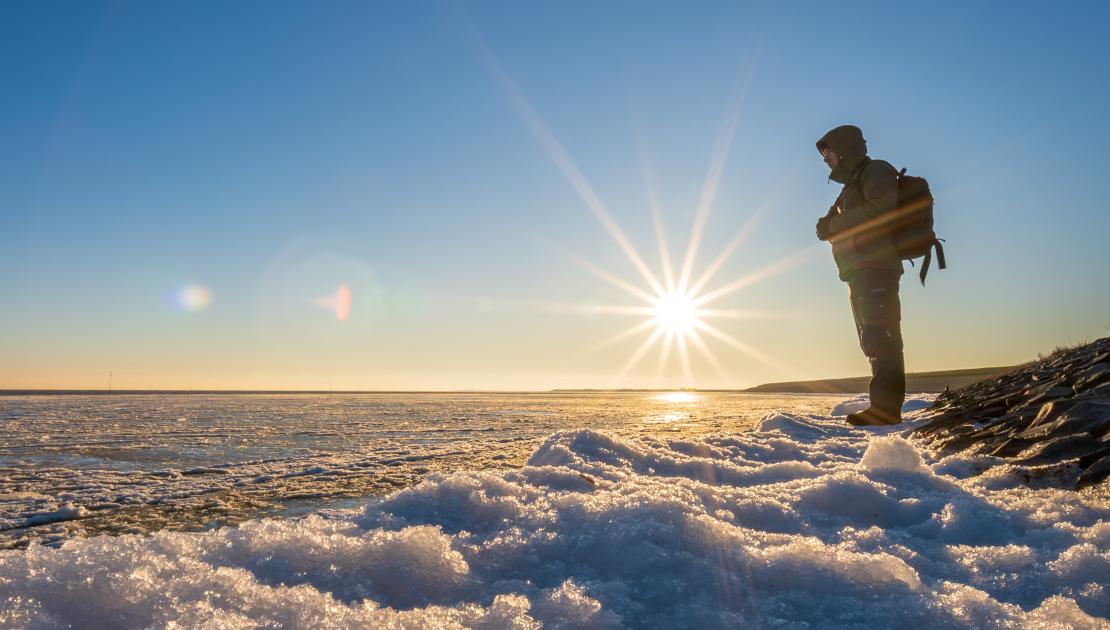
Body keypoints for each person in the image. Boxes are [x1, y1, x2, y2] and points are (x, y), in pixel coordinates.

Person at [814, 125, 905, 426]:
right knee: (872, 339)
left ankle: (886, 410)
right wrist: (826, 225)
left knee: (883, 335)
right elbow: (830, 226)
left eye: (828, 152)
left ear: (844, 149)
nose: (825, 159)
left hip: (876, 267)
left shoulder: (875, 171)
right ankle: (882, 407)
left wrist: (835, 226)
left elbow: (882, 211)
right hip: (858, 271)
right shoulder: (849, 187)